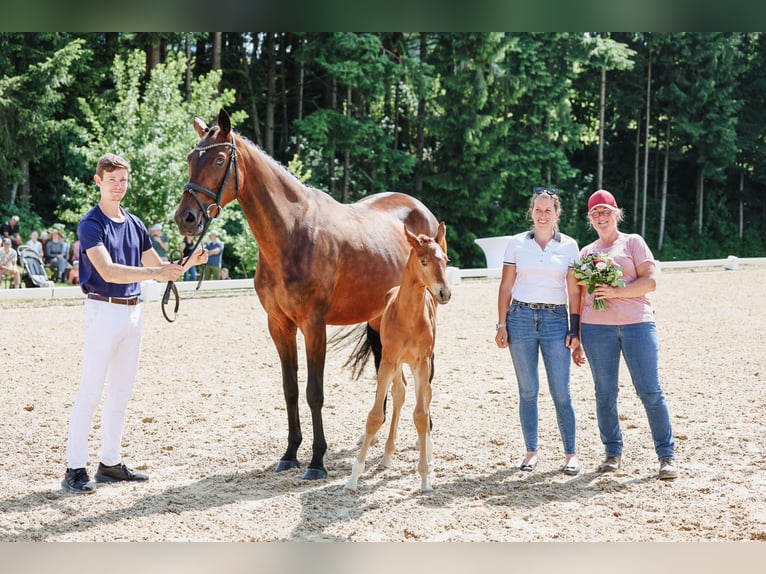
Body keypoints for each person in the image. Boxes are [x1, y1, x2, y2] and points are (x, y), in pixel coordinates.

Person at [62, 152, 208, 494]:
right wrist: (157, 272)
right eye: (112, 180)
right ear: (98, 181)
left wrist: (187, 263)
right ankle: (74, 467)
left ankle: (109, 461)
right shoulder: (90, 223)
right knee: (90, 392)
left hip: (132, 312)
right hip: (103, 310)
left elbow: (159, 269)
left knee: (121, 392)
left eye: (123, 180)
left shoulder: (135, 224)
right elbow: (108, 270)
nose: (118, 186)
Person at [572, 189, 677, 480]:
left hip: (637, 324)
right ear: (589, 219)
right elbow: (580, 297)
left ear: (617, 214)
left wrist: (617, 292)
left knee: (650, 391)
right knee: (605, 393)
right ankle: (612, 453)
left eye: (606, 211)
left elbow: (651, 282)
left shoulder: (633, 242)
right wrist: (578, 336)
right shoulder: (587, 253)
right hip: (596, 330)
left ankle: (666, 456)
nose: (601, 217)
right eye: (595, 213)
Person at [495, 187, 582, 475]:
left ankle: (570, 453)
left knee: (561, 391)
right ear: (531, 212)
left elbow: (573, 290)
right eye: (537, 209)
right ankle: (531, 450)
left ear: (558, 213)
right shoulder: (517, 244)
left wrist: (575, 328)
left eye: (548, 210)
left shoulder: (570, 246)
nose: (542, 215)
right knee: (528, 390)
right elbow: (506, 286)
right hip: (520, 317)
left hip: (556, 320)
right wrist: (501, 323)